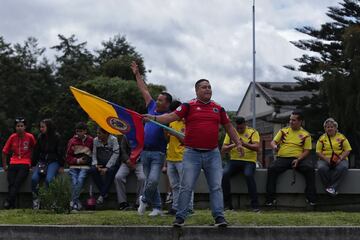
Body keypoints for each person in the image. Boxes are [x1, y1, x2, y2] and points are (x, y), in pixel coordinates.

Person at [143, 79, 243, 227]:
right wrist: (154, 118)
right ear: (196, 91)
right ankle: (180, 217)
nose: (208, 89)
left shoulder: (218, 108)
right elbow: (171, 117)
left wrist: (239, 143)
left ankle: (219, 217)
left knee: (216, 186)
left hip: (212, 153)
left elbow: (229, 127)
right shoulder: (188, 106)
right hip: (192, 153)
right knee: (186, 186)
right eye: (204, 87)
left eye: (209, 87)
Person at [131, 61, 172, 217]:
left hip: (158, 154)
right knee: (150, 181)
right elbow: (144, 89)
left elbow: (167, 137)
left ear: (167, 104)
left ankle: (143, 198)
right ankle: (157, 207)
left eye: (161, 100)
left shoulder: (168, 117)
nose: (158, 101)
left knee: (153, 181)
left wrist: (161, 127)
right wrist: (136, 74)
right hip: (145, 152)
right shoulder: (151, 106)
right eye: (158, 99)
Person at [265, 111, 317, 206]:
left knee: (310, 169)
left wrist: (298, 160)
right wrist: (275, 147)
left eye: (293, 120)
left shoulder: (306, 134)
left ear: (300, 121)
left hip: (298, 159)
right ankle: (270, 200)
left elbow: (306, 151)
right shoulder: (283, 131)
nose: (290, 122)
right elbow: (273, 142)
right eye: (290, 119)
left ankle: (311, 200)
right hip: (283, 158)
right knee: (272, 169)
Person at [221, 116, 260, 212]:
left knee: (248, 175)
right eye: (237, 128)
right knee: (224, 174)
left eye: (241, 128)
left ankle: (255, 206)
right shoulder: (231, 132)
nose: (239, 130)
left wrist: (243, 144)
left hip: (249, 161)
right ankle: (227, 205)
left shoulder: (253, 132)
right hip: (234, 160)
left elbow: (257, 147)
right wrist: (235, 143)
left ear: (245, 124)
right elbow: (223, 149)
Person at [165, 100, 194, 215]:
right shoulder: (171, 123)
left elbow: (187, 140)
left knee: (186, 184)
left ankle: (189, 208)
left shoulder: (187, 122)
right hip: (171, 157)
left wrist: (174, 133)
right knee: (175, 185)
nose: (173, 114)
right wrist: (166, 132)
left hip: (183, 157)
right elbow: (167, 140)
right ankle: (175, 207)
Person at [2, 117, 36, 209]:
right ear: (15, 127)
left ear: (25, 127)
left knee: (17, 182)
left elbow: (34, 149)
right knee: (11, 182)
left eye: (21, 126)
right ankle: (11, 205)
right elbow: (4, 151)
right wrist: (5, 165)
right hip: (13, 162)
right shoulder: (12, 137)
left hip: (25, 162)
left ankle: (8, 201)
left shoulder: (30, 137)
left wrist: (32, 163)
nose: (20, 128)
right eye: (18, 126)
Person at [31, 118, 64, 210]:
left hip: (53, 161)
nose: (41, 129)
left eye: (43, 127)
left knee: (49, 180)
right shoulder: (40, 137)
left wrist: (61, 165)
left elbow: (60, 151)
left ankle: (50, 201)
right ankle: (36, 199)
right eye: (40, 127)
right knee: (34, 179)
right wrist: (33, 164)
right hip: (42, 162)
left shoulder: (57, 137)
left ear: (48, 127)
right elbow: (36, 151)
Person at [316, 118, 351, 196]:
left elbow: (348, 150)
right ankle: (331, 188)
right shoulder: (322, 138)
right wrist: (326, 159)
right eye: (327, 127)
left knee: (343, 168)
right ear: (325, 128)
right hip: (325, 159)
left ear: (335, 128)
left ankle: (332, 188)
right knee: (322, 168)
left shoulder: (342, 137)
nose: (330, 128)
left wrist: (340, 158)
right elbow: (318, 151)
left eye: (332, 127)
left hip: (340, 159)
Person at [65, 122, 93, 212]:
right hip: (74, 166)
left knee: (80, 179)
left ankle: (73, 203)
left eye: (81, 131)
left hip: (85, 166)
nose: (79, 133)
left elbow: (93, 154)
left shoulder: (90, 140)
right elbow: (68, 157)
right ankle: (76, 203)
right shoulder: (72, 141)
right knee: (74, 181)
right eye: (77, 131)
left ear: (85, 131)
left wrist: (86, 161)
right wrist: (77, 160)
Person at [89, 127, 120, 205]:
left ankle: (102, 195)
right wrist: (96, 165)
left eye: (99, 133)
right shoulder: (95, 140)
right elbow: (94, 154)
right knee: (92, 170)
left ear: (106, 133)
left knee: (111, 171)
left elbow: (116, 154)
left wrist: (107, 167)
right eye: (97, 133)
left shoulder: (113, 139)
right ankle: (104, 193)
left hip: (111, 163)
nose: (97, 135)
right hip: (100, 163)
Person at [114, 135, 145, 210]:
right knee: (118, 177)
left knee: (142, 178)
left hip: (140, 162)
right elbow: (123, 150)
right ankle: (123, 203)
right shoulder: (126, 136)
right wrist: (127, 161)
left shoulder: (143, 134)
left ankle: (139, 203)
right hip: (127, 162)